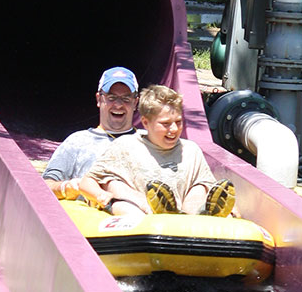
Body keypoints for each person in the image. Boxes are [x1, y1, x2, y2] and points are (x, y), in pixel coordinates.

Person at [79, 84, 235, 216]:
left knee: (199, 187)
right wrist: (101, 195)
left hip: (184, 216)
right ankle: (155, 211)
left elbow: (209, 185)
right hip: (140, 211)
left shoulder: (190, 150)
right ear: (146, 123)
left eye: (178, 122)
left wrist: (231, 209)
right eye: (165, 124)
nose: (174, 129)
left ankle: (202, 214)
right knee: (114, 185)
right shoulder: (125, 147)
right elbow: (87, 182)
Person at [42, 66, 139, 204]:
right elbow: (44, 186)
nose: (118, 104)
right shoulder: (77, 141)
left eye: (126, 98)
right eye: (111, 97)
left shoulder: (149, 140)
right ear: (99, 99)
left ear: (135, 102)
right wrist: (66, 188)